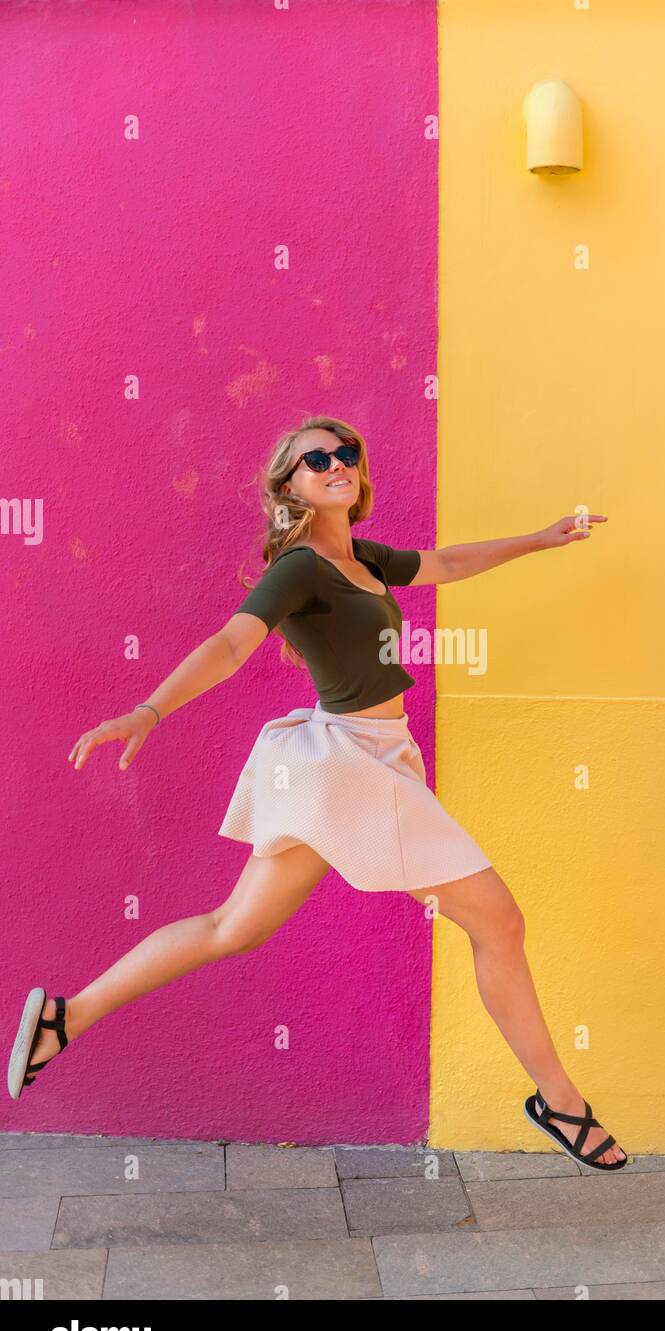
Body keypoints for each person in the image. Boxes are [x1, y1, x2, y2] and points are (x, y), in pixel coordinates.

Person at [7, 414, 626, 1171]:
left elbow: (448, 563)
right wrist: (151, 708)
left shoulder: (361, 556)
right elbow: (234, 642)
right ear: (291, 486)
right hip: (349, 765)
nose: (336, 463)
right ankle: (559, 1100)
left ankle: (65, 1018)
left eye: (347, 453)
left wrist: (539, 538)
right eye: (316, 459)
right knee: (499, 922)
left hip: (357, 757)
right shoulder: (300, 567)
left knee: (233, 926)